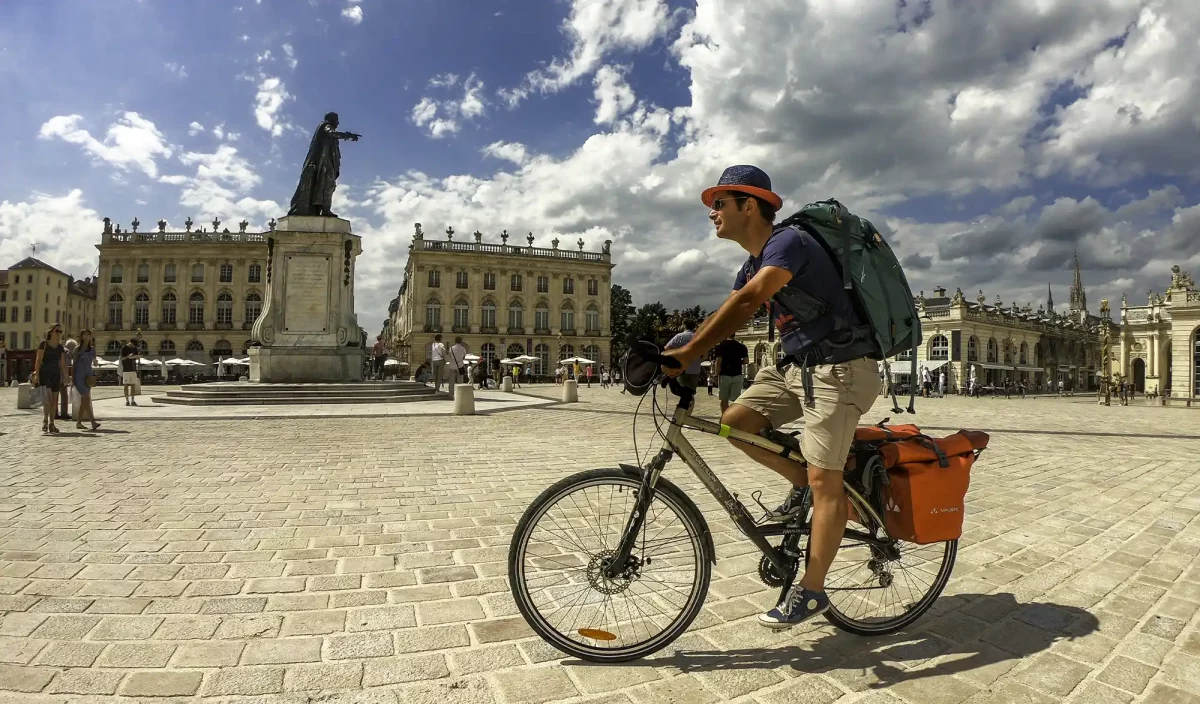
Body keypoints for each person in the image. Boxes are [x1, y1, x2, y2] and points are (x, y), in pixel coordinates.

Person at [660, 165, 880, 630]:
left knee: (825, 479)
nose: (712, 213)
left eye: (719, 203)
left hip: (841, 369)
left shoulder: (789, 243)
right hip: (795, 368)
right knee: (734, 423)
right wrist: (675, 353)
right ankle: (812, 490)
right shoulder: (750, 262)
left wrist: (689, 354)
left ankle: (813, 588)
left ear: (750, 205)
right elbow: (728, 310)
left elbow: (747, 302)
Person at [32, 324, 69, 434]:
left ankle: (52, 423)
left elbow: (62, 363)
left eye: (60, 331)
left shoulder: (60, 347)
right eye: (57, 331)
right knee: (47, 399)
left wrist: (66, 376)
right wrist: (37, 375)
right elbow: (38, 360)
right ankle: (45, 421)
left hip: (55, 375)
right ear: (51, 332)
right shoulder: (44, 344)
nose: (58, 333)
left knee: (54, 400)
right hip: (45, 374)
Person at [72, 329, 101, 431]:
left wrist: (96, 363)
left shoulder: (92, 349)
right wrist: (72, 378)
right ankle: (92, 422)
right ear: (81, 336)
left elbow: (94, 361)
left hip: (88, 375)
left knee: (86, 400)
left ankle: (79, 423)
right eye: (85, 334)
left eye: (88, 334)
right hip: (79, 375)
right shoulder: (77, 349)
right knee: (85, 398)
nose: (87, 336)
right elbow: (74, 364)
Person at [713, 332, 748, 413]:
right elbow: (746, 361)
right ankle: (733, 417)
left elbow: (718, 362)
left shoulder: (721, 346)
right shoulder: (742, 346)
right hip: (737, 375)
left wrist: (715, 374)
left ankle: (725, 417)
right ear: (734, 335)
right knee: (736, 400)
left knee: (724, 399)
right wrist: (738, 362)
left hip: (724, 375)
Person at [665, 320, 703, 390]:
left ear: (684, 325)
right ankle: (691, 400)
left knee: (683, 391)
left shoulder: (679, 337)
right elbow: (705, 354)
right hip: (695, 368)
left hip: (681, 367)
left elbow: (667, 348)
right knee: (692, 391)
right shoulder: (698, 337)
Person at [120, 337, 140, 406]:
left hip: (133, 369)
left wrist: (137, 357)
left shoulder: (135, 349)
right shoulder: (124, 348)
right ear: (131, 342)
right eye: (133, 345)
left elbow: (137, 357)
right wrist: (128, 356)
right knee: (126, 385)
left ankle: (133, 400)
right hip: (126, 369)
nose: (134, 346)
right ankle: (127, 400)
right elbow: (122, 358)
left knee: (133, 385)